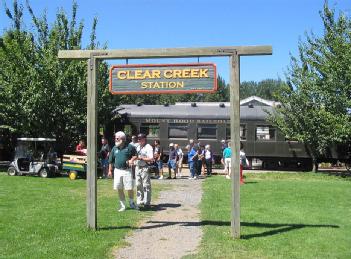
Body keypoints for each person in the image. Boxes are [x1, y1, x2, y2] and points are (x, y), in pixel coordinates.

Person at [108, 131, 138, 212]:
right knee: (119, 188)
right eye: (115, 138)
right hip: (117, 171)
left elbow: (135, 155)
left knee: (129, 188)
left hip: (127, 171)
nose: (116, 140)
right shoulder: (114, 148)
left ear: (123, 139)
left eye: (117, 138)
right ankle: (123, 205)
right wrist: (110, 171)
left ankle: (132, 203)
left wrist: (131, 160)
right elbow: (111, 161)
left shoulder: (130, 147)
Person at [135, 133, 154, 208]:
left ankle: (147, 202)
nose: (138, 140)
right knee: (138, 184)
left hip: (145, 167)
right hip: (137, 167)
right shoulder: (137, 147)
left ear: (144, 139)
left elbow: (151, 159)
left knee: (146, 185)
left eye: (140, 139)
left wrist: (141, 158)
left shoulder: (148, 147)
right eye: (138, 139)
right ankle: (140, 201)